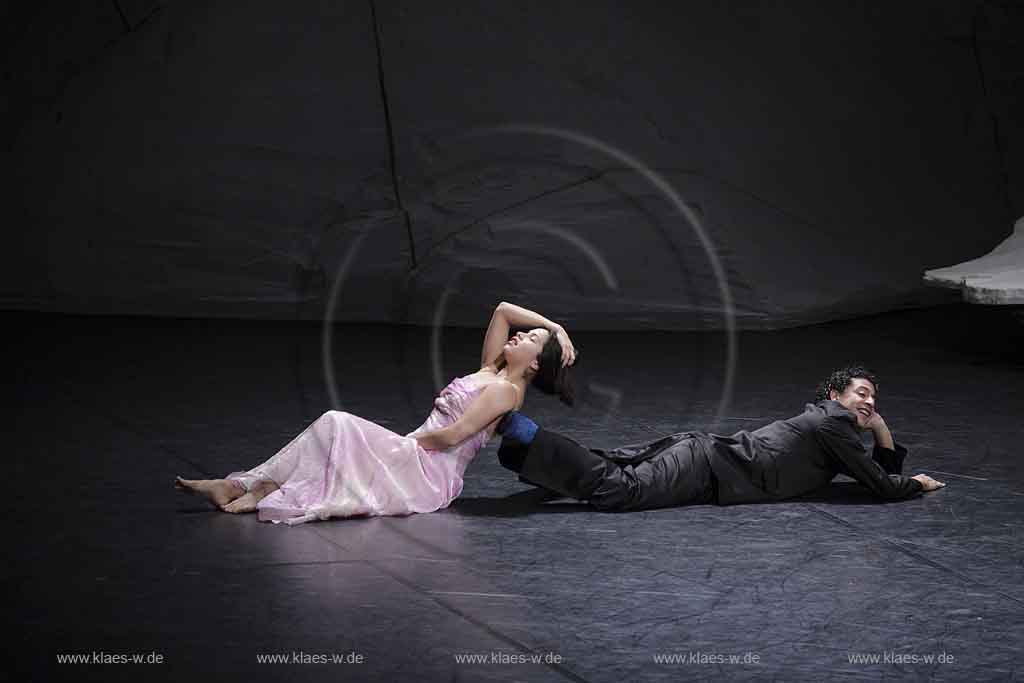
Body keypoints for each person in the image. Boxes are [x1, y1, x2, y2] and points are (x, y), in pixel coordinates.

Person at [175, 302, 576, 524]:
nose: (520, 333)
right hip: (416, 453)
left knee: (338, 424)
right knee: (336, 431)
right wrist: (553, 324)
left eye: (531, 338)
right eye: (526, 331)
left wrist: (393, 446)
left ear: (536, 364)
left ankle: (248, 488)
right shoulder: (489, 370)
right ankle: (248, 488)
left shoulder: (505, 391)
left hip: (428, 471)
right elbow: (503, 310)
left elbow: (451, 437)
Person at [495, 365, 945, 511]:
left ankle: (519, 446)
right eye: (862, 394)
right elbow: (882, 485)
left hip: (705, 460)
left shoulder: (833, 425)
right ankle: (521, 432)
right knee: (622, 491)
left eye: (874, 398)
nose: (868, 403)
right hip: (706, 464)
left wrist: (881, 426)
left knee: (612, 467)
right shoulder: (832, 424)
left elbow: (877, 474)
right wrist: (918, 485)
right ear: (834, 395)